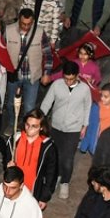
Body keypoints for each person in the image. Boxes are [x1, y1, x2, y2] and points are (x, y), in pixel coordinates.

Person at [41, 60, 92, 200]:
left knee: (67, 158)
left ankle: (65, 182)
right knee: (56, 155)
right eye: (66, 79)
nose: (68, 82)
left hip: (73, 128)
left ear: (77, 76)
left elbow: (88, 107)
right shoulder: (57, 85)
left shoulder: (84, 89)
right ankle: (56, 177)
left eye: (71, 79)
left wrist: (85, 125)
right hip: (56, 126)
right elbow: (47, 103)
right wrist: (39, 118)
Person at [0, 109, 59, 208]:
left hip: (33, 191)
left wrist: (44, 197)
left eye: (34, 126)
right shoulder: (15, 140)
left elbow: (51, 174)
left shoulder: (48, 147)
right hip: (15, 189)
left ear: (41, 127)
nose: (29, 128)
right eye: (27, 124)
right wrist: (8, 165)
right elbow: (6, 159)